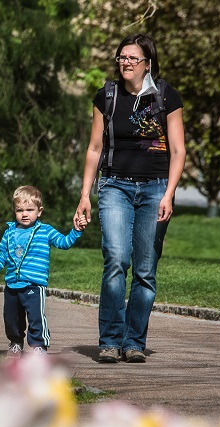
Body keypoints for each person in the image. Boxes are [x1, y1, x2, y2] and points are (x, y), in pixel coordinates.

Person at [73, 33, 185, 364]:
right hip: (115, 187)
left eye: (132, 59)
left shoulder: (166, 96)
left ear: (147, 65)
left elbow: (178, 151)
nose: (125, 63)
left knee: (146, 270)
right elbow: (94, 148)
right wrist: (84, 195)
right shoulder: (106, 96)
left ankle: (134, 341)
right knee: (117, 259)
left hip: (155, 189)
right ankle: (109, 340)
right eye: (121, 58)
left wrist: (169, 193)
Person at [0, 185, 84, 356]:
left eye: (29, 210)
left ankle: (39, 346)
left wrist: (76, 231)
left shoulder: (45, 231)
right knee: (11, 319)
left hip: (34, 285)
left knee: (36, 318)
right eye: (20, 210)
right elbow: (1, 256)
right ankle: (16, 342)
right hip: (12, 285)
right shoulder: (9, 233)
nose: (24, 214)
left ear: (39, 211)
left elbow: (64, 243)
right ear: (15, 211)